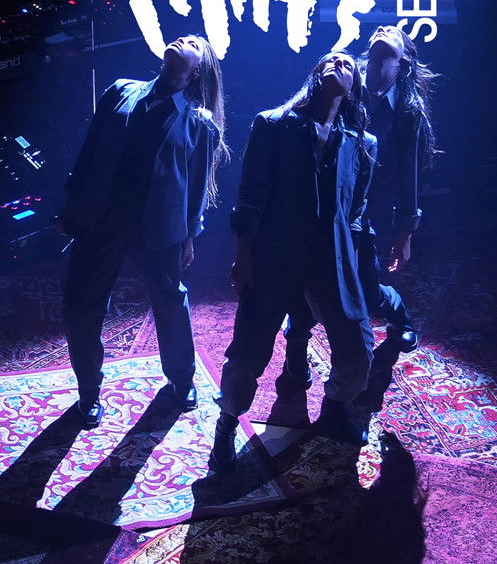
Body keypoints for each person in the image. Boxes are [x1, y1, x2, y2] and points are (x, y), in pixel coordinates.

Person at [208, 51, 377, 471]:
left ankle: (334, 405)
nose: (338, 64)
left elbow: (356, 211)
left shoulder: (361, 143)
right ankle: (227, 422)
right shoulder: (273, 125)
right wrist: (244, 256)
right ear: (316, 75)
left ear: (353, 86)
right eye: (330, 61)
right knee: (249, 349)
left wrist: (353, 266)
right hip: (275, 255)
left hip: (332, 260)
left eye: (348, 64)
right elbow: (250, 195)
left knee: (358, 349)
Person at [57, 34, 228, 426]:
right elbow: (89, 152)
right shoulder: (121, 91)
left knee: (169, 301)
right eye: (182, 36)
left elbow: (197, 188)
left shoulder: (200, 123)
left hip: (160, 225)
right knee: (81, 305)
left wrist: (190, 234)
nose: (183, 38)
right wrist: (71, 206)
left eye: (193, 43)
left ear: (197, 70)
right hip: (101, 219)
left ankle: (181, 379)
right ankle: (88, 392)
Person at [283, 25, 438, 393]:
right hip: (321, 201)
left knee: (365, 290)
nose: (383, 28)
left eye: (394, 32)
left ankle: (398, 313)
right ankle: (296, 349)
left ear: (404, 59)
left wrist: (405, 231)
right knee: (303, 279)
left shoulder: (408, 112)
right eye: (380, 29)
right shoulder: (345, 77)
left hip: (366, 211)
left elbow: (409, 173)